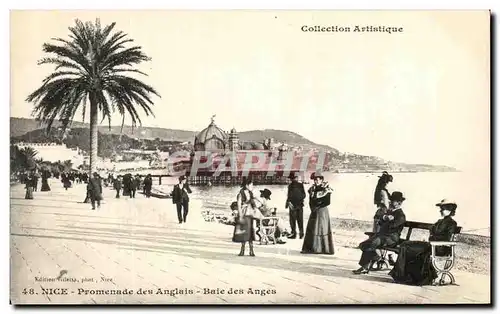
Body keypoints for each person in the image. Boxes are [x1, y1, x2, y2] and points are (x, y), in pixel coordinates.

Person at [388, 199, 459, 285]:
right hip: (432, 244)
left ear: (450, 210)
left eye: (443, 208)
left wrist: (433, 237)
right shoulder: (440, 221)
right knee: (405, 244)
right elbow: (433, 233)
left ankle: (405, 277)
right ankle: (401, 275)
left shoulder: (452, 223)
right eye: (441, 208)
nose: (441, 210)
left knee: (407, 247)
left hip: (440, 248)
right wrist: (432, 236)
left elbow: (446, 238)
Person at [353, 191, 407, 274]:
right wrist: (385, 218)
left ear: (399, 203)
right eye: (391, 200)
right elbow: (380, 222)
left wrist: (386, 220)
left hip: (392, 238)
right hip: (383, 236)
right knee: (363, 245)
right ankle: (377, 257)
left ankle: (365, 267)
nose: (391, 202)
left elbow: (391, 226)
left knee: (372, 243)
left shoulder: (400, 215)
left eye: (393, 201)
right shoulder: (390, 212)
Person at [301, 171, 335, 255]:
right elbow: (310, 201)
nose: (316, 181)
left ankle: (323, 249)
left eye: (318, 180)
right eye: (315, 180)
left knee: (322, 228)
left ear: (321, 180)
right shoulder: (312, 189)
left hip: (322, 211)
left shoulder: (326, 189)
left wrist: (318, 206)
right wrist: (312, 207)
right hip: (314, 211)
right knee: (313, 227)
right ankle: (312, 248)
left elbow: (327, 202)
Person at [232, 177, 257, 256]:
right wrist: (240, 216)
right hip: (244, 214)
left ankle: (251, 250)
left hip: (250, 214)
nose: (252, 186)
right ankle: (242, 250)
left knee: (250, 232)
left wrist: (255, 208)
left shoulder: (250, 193)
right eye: (251, 185)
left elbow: (253, 203)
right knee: (244, 233)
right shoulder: (240, 194)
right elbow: (239, 205)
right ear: (247, 185)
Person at [285, 172, 306, 239]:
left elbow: (289, 196)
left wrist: (288, 203)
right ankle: (301, 233)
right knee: (300, 220)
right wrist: (300, 200)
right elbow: (304, 195)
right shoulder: (300, 185)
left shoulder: (290, 186)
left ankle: (294, 234)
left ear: (291, 179)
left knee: (292, 220)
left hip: (293, 205)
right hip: (299, 205)